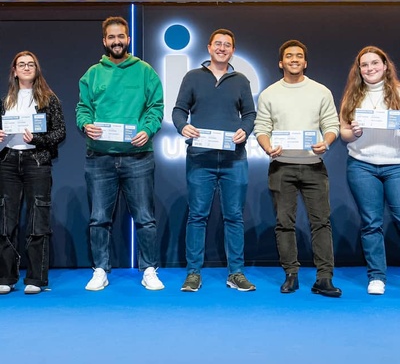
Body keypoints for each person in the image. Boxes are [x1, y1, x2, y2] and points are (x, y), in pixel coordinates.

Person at [76, 16, 164, 291]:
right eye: (111, 37)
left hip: (138, 157)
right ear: (104, 41)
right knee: (99, 218)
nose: (116, 41)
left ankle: (149, 269)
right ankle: (100, 269)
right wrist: (85, 124)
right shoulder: (92, 74)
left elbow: (156, 107)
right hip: (100, 158)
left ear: (128, 39)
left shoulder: (145, 71)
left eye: (121, 37)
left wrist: (147, 130)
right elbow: (83, 108)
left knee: (145, 218)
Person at [254, 39, 342, 297]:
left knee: (321, 223)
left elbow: (332, 125)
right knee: (284, 224)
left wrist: (326, 142)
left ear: (305, 62)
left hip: (314, 166)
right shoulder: (269, 93)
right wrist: (268, 147)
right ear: (281, 62)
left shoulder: (321, 91)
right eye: (289, 56)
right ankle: (291, 274)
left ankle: (324, 278)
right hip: (281, 166)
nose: (294, 59)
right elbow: (261, 129)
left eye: (299, 56)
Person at [172, 28, 256, 292]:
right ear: (209, 47)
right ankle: (193, 273)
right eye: (217, 44)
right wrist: (182, 127)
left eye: (227, 45)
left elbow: (250, 115)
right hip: (200, 158)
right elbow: (178, 111)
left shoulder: (241, 80)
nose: (222, 48)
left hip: (234, 159)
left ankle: (236, 273)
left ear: (232, 50)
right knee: (197, 216)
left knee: (234, 217)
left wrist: (246, 129)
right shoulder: (193, 77)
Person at [0, 51, 66, 295]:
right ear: (14, 71)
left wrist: (37, 139)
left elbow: (60, 133)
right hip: (7, 161)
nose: (26, 67)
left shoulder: (49, 100)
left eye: (31, 64)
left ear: (36, 69)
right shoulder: (5, 101)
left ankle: (36, 278)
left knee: (38, 218)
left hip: (36, 162)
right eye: (21, 64)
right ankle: (6, 277)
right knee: (6, 220)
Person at [340, 46, 400, 295]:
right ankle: (376, 277)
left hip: (396, 165)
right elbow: (343, 133)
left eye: (375, 63)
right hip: (362, 165)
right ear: (359, 69)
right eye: (364, 65)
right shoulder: (352, 95)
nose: (370, 68)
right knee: (371, 223)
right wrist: (352, 133)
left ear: (385, 66)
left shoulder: (397, 92)